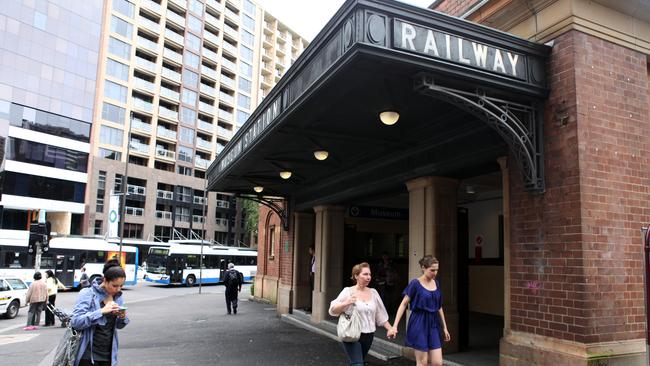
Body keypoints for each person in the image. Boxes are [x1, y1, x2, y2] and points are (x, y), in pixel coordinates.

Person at [387, 255, 451, 366]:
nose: (435, 273)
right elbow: (403, 304)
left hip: (434, 323)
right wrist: (395, 325)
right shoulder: (415, 284)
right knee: (423, 362)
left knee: (437, 363)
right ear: (423, 268)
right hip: (419, 322)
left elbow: (439, 306)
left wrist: (445, 327)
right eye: (432, 270)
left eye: (436, 270)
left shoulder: (436, 283)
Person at [329, 262, 392, 366]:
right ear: (356, 276)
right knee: (358, 364)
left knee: (358, 362)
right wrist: (346, 302)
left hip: (369, 335)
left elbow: (380, 315)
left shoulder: (373, 292)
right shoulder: (348, 291)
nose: (369, 277)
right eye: (365, 274)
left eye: (370, 274)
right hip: (352, 333)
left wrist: (390, 328)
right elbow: (332, 310)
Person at [71, 260, 130, 366]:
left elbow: (119, 326)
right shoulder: (88, 293)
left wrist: (122, 317)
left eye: (121, 286)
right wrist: (101, 311)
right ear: (105, 280)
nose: (118, 289)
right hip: (88, 355)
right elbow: (76, 322)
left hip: (109, 355)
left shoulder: (118, 297)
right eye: (115, 285)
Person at [308, 245, 315, 311]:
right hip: (312, 275)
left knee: (313, 289)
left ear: (313, 250)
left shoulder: (316, 257)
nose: (309, 251)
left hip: (314, 275)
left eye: (310, 250)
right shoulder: (313, 257)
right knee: (311, 289)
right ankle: (311, 306)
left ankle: (312, 307)